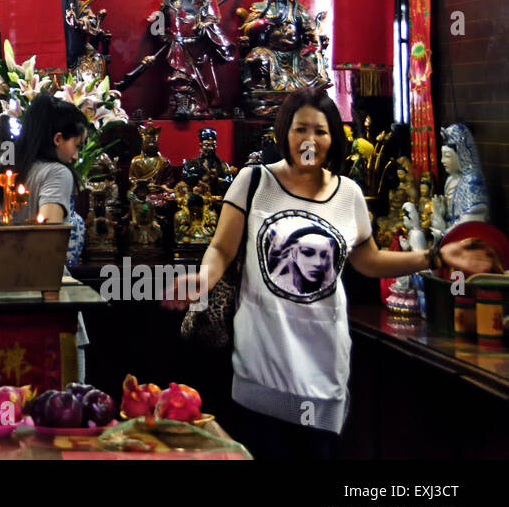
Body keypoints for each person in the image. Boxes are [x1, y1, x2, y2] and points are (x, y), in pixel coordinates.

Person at [165, 87, 493, 459]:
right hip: (261, 372)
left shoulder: (348, 195)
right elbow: (223, 248)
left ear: (333, 137)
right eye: (300, 129)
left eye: (319, 131)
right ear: (284, 132)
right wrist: (203, 278)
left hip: (324, 372)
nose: (309, 139)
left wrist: (433, 256)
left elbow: (367, 260)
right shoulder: (254, 182)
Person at [0, 93, 89, 224]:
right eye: (77, 146)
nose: (75, 156)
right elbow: (49, 235)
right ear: (57, 139)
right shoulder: (57, 173)